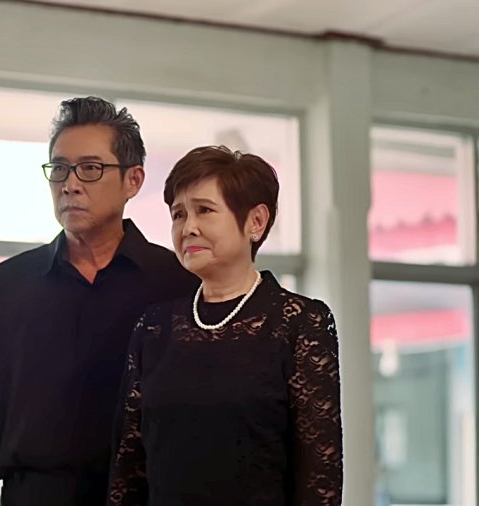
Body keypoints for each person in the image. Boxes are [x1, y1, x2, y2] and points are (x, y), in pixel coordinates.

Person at [0, 97, 197, 506]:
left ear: (133, 181)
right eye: (59, 168)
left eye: (90, 168)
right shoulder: (5, 289)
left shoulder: (177, 286)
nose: (70, 184)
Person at [108, 145, 343, 505]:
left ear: (256, 222)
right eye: (178, 214)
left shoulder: (300, 323)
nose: (188, 228)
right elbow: (128, 471)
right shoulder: (154, 327)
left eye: (204, 210)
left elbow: (319, 480)